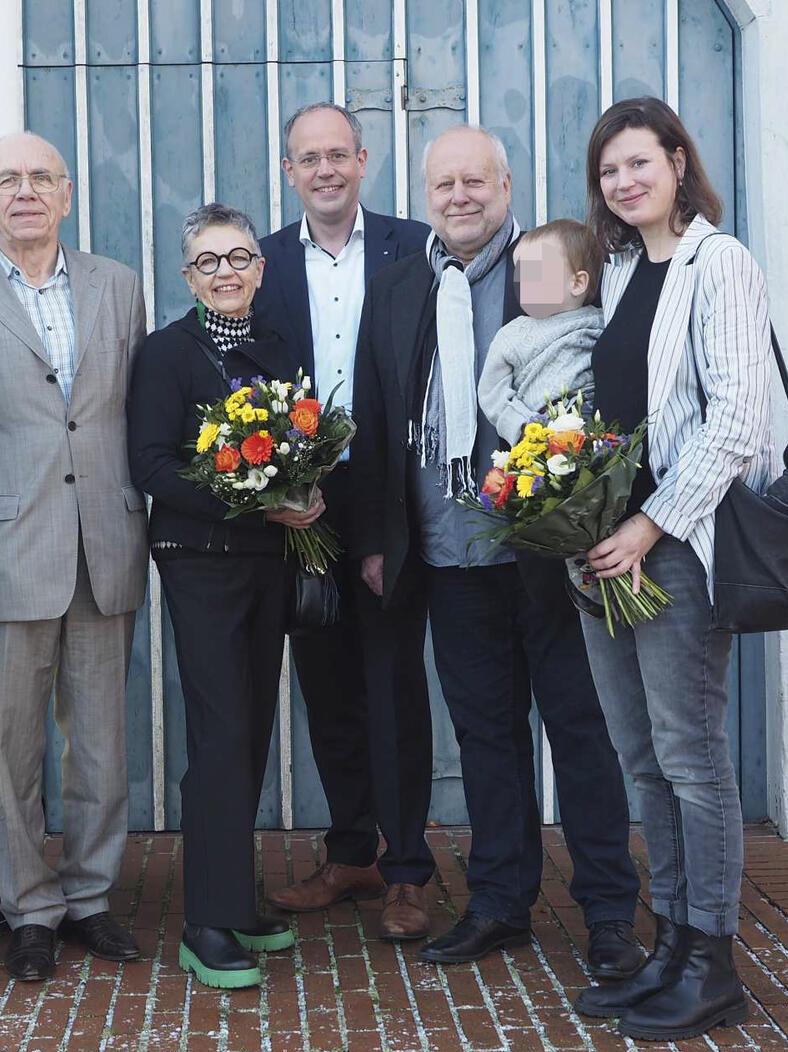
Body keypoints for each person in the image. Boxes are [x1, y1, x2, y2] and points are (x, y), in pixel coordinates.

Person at [349, 126, 645, 977]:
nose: (459, 197)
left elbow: (614, 388)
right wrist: (377, 537)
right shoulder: (402, 284)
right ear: (424, 195)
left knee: (581, 729)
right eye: (443, 184)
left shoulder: (551, 266)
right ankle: (500, 902)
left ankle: (608, 913)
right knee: (485, 734)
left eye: (475, 180)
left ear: (507, 184)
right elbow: (377, 412)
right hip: (448, 551)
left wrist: (603, 505)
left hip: (553, 553)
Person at [0, 132, 148, 984]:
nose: (25, 191)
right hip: (3, 551)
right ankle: (31, 911)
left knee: (99, 746)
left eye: (41, 177)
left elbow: (131, 413)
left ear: (68, 193)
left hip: (107, 544)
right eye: (6, 178)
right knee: (11, 751)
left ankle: (88, 897)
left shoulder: (118, 287)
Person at [569, 97, 777, 1041]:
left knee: (693, 760)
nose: (625, 181)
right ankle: (668, 947)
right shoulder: (618, 274)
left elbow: (736, 419)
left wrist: (650, 524)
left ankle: (713, 961)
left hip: (676, 552)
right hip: (604, 556)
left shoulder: (717, 262)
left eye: (639, 162)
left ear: (680, 164)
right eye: (610, 170)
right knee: (641, 760)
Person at [249, 103, 437, 941]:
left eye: (338, 155)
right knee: (325, 684)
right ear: (289, 171)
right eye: (307, 159)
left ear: (363, 160)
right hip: (297, 497)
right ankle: (352, 850)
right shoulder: (261, 260)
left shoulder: (414, 247)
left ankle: (407, 870)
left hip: (391, 489)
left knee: (392, 681)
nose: (324, 170)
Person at [126, 203, 317, 990]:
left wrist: (306, 490)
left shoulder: (278, 348)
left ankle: (234, 899)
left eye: (238, 258)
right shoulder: (167, 354)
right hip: (199, 558)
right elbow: (153, 466)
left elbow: (300, 440)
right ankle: (205, 922)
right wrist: (247, 500)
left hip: (267, 559)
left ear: (260, 269)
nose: (226, 273)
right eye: (208, 262)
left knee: (251, 728)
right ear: (187, 277)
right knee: (220, 729)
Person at [477, 218, 604, 443]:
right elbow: (491, 392)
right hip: (536, 435)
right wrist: (524, 426)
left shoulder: (600, 322)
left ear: (577, 283)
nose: (524, 284)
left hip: (594, 434)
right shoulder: (514, 334)